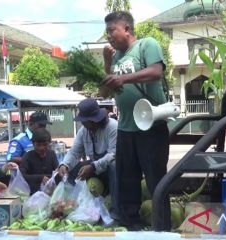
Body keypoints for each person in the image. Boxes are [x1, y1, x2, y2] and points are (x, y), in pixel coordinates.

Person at [101, 11, 170, 230]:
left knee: (156, 181)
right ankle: (132, 226)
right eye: (107, 32)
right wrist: (107, 63)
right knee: (127, 181)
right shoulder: (117, 58)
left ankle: (162, 227)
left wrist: (123, 78)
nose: (109, 36)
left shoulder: (146, 45)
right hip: (126, 129)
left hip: (151, 127)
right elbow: (104, 92)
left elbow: (156, 72)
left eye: (112, 30)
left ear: (127, 29)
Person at [58, 98, 119, 219]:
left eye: (86, 121)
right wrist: (64, 165)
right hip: (94, 168)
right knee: (70, 169)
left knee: (114, 166)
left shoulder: (113, 127)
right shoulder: (84, 131)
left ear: (94, 120)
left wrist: (93, 166)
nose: (84, 124)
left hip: (112, 170)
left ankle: (116, 211)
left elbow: (113, 154)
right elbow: (75, 152)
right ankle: (71, 205)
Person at [20, 128, 59, 195]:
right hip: (32, 194)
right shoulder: (28, 156)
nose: (41, 148)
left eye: (45, 145)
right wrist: (40, 178)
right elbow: (21, 176)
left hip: (49, 193)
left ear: (49, 143)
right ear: (33, 144)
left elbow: (57, 173)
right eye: (38, 145)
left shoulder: (52, 154)